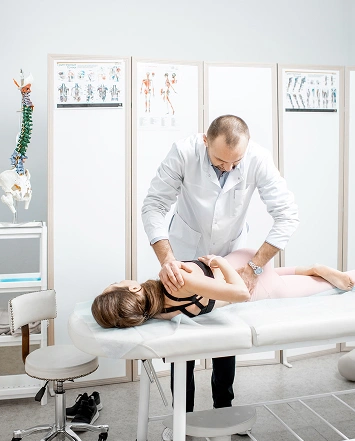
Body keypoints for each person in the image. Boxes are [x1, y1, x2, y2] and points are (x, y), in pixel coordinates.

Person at [140, 115, 299, 431]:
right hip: (184, 253)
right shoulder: (183, 152)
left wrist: (254, 267)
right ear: (205, 141)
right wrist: (167, 259)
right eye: (219, 161)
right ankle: (181, 418)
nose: (227, 168)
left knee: (226, 332)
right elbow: (153, 206)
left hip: (228, 253)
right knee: (182, 336)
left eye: (234, 162)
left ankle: (224, 408)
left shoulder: (257, 159)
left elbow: (288, 216)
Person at [92, 249, 355, 412]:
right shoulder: (155, 306)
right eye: (116, 284)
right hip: (237, 271)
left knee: (330, 286)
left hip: (242, 267)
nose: (120, 280)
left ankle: (320, 270)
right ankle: (313, 269)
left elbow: (241, 291)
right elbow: (239, 293)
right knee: (283, 282)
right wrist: (219, 263)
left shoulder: (174, 286)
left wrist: (219, 262)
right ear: (135, 292)